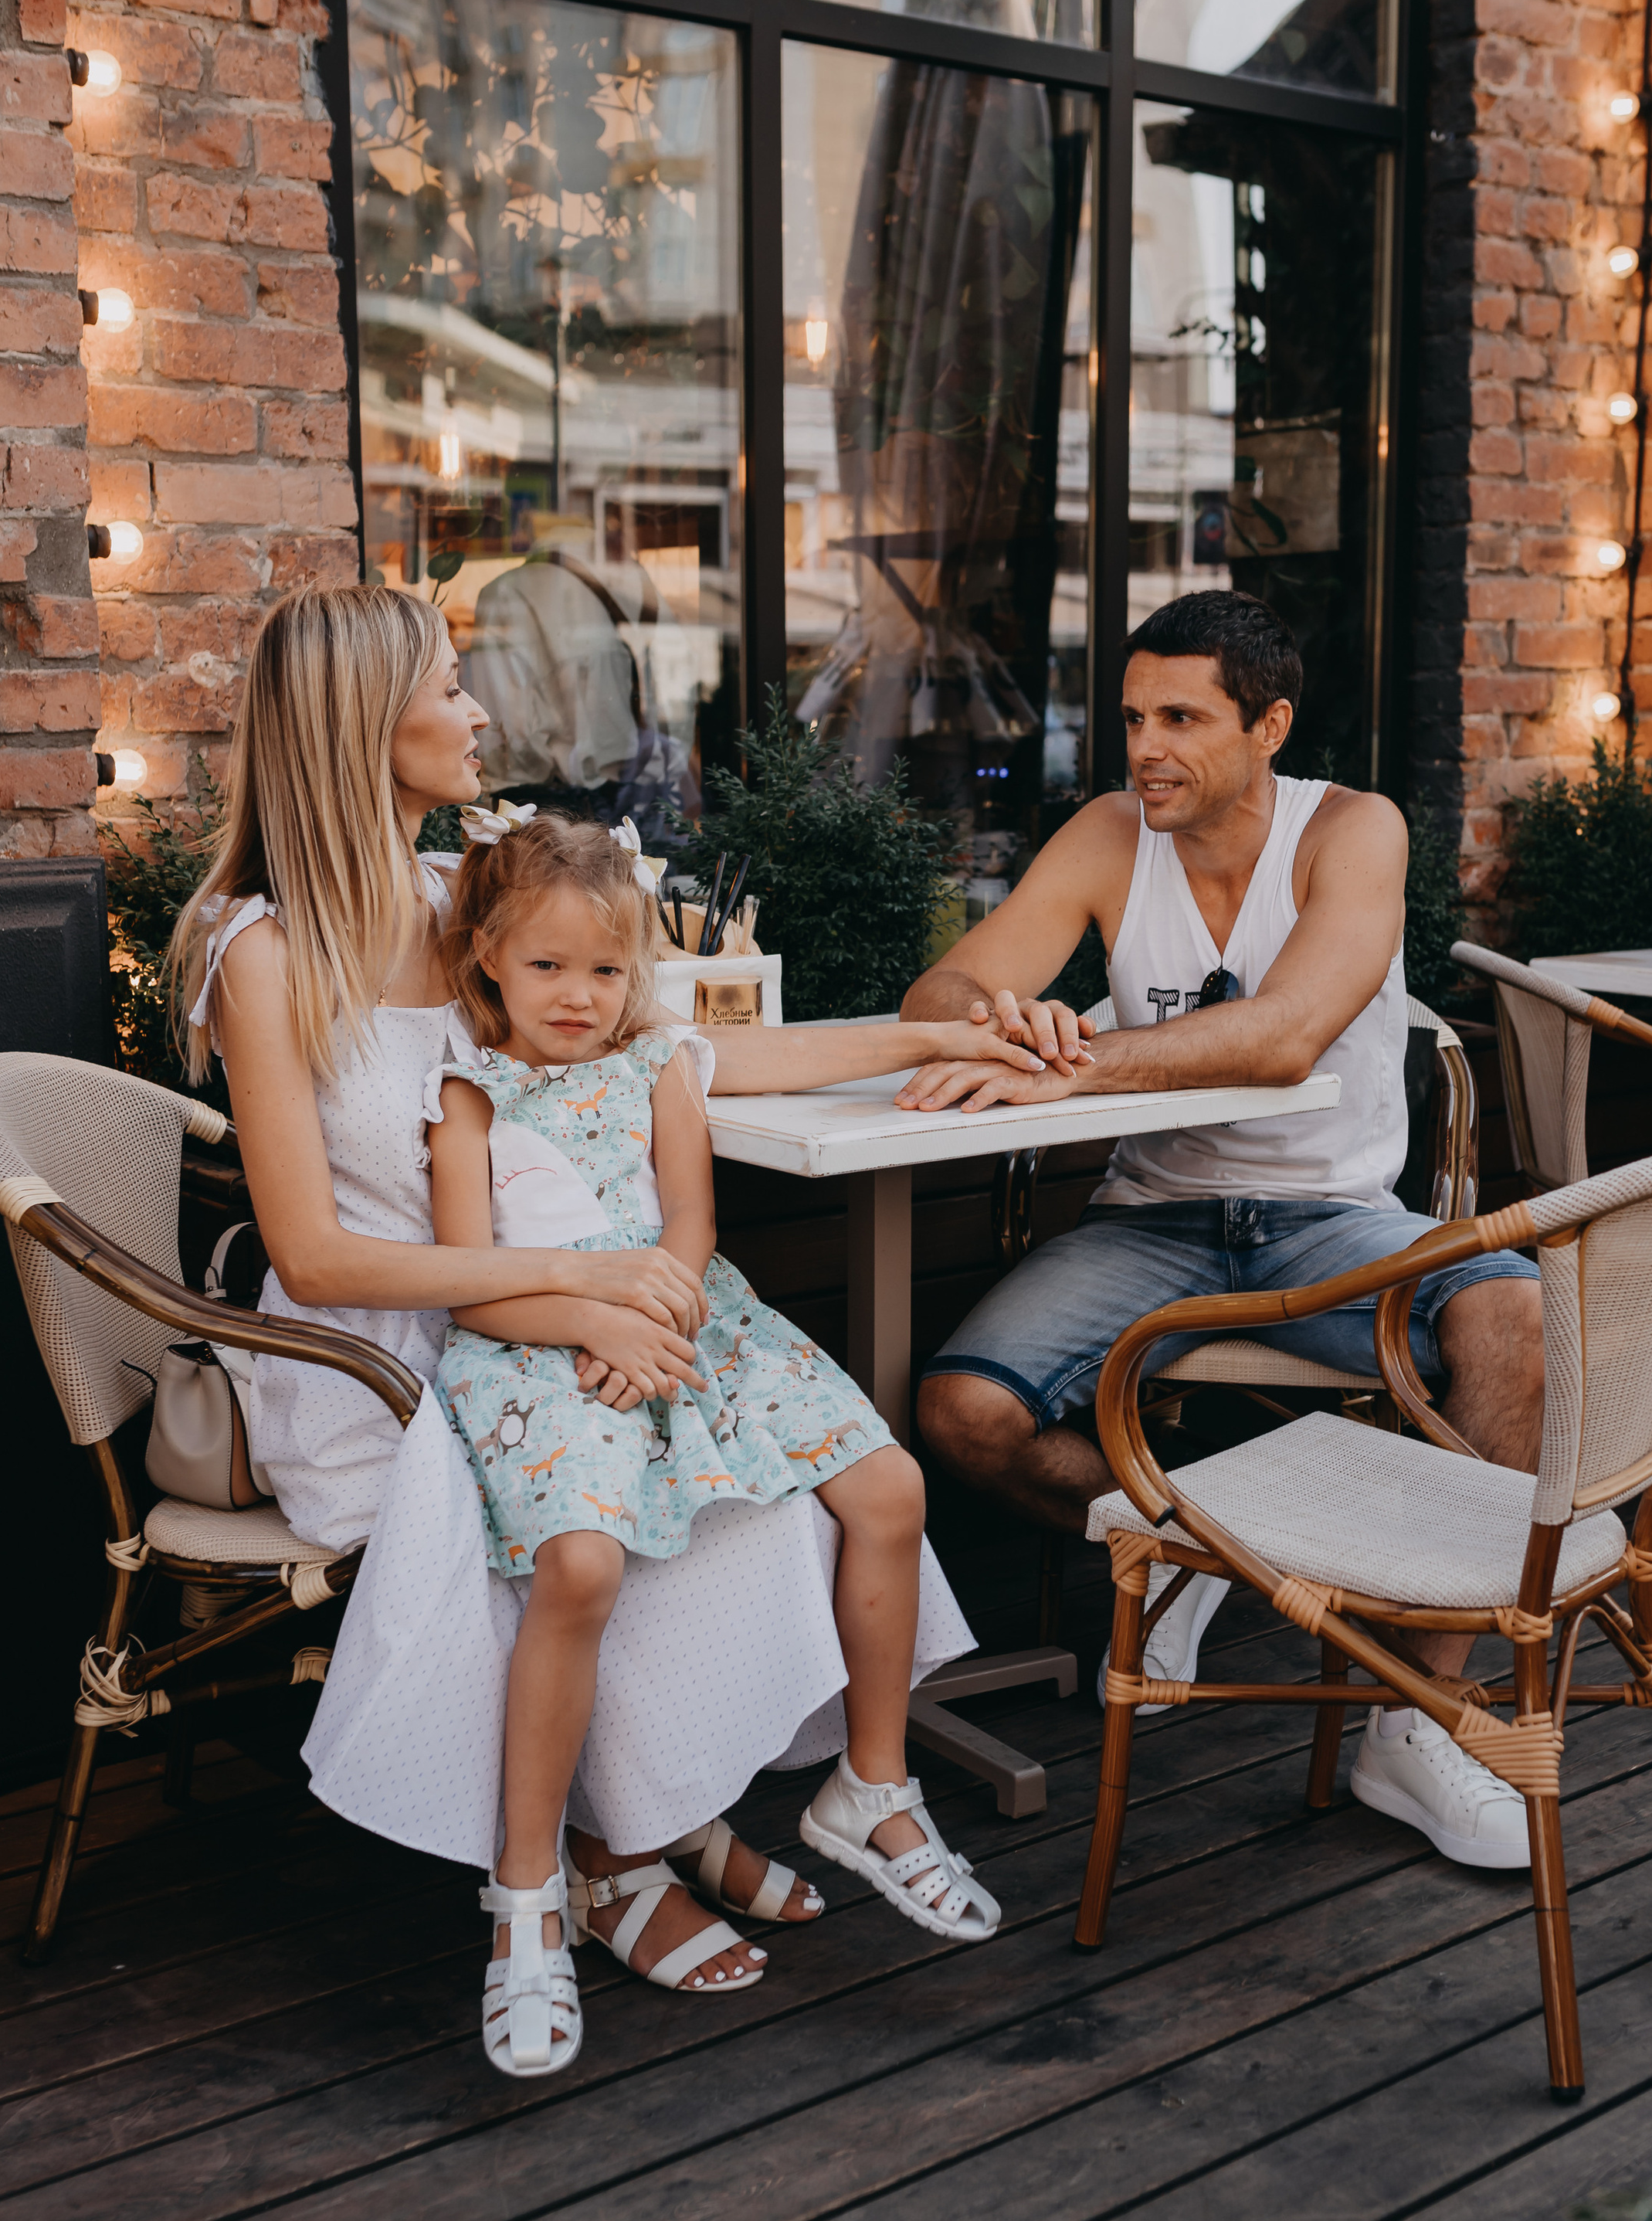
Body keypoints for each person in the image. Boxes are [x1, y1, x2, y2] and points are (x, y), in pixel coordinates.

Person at [169, 586, 1047, 2060]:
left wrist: (941, 1031)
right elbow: (316, 1259)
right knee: (577, 1543)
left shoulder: (473, 898)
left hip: (544, 1310)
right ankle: (605, 1864)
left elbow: (689, 1049)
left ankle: (670, 1815)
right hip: (374, 1359)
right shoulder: (263, 947)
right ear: (361, 725)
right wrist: (582, 1294)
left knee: (734, 1492)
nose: (478, 713)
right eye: (452, 687)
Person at [896, 589, 1547, 1874]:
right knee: (963, 1412)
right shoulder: (1104, 834)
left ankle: (1423, 1715)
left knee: (1514, 1312)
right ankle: (1207, 1549)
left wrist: (1080, 1066)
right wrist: (999, 1016)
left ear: (1270, 726)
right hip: (1155, 1221)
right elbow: (944, 986)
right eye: (1134, 717)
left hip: (1335, 1221)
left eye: (1183, 719)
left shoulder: (1351, 830)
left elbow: (1286, 1031)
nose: (1146, 748)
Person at [426, 808, 999, 2074]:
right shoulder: (470, 1092)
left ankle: (873, 1786)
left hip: (692, 1325)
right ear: (485, 959)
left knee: (891, 1485)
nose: (579, 997)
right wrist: (597, 1326)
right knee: (580, 1562)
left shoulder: (659, 1066)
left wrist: (661, 1314)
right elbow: (469, 1285)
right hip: (538, 1342)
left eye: (607, 970)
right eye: (547, 967)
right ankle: (527, 1897)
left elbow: (689, 1219)